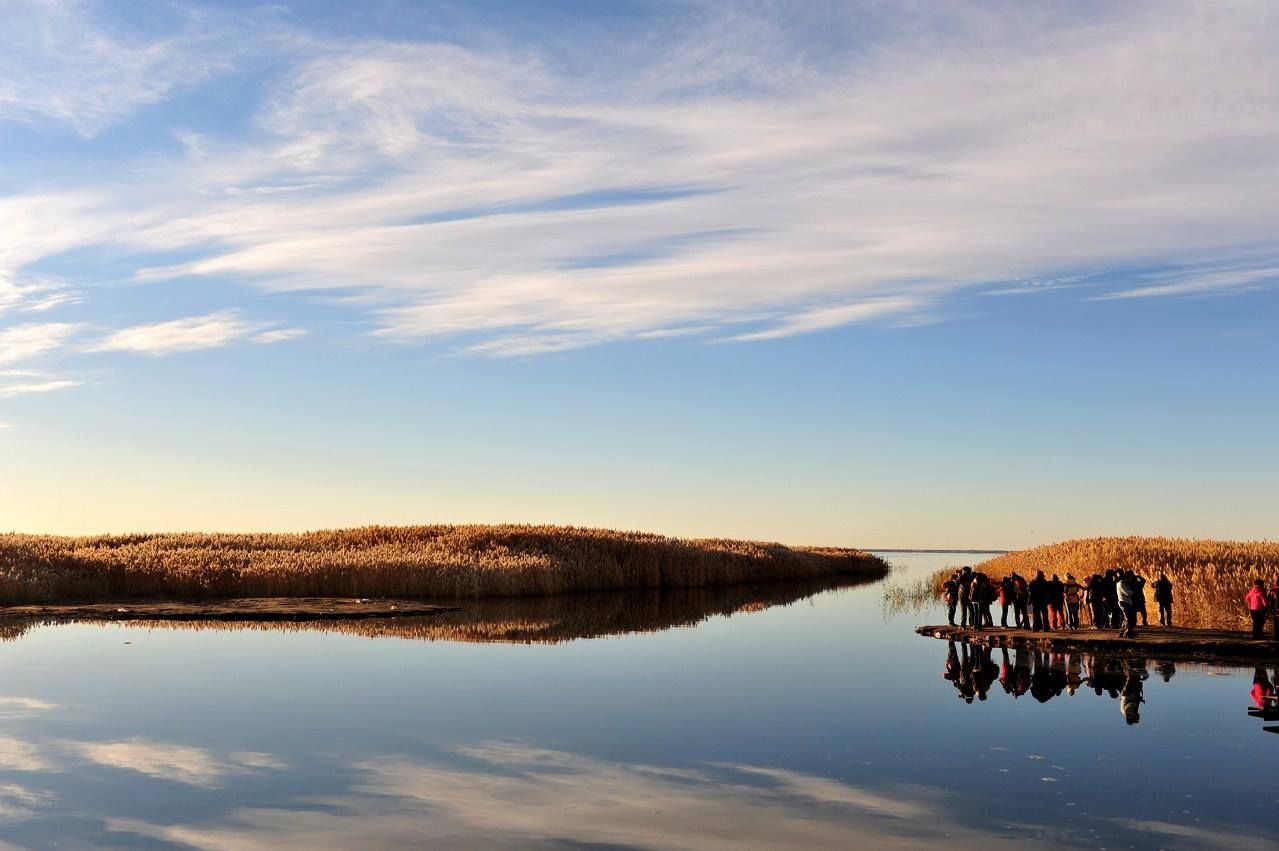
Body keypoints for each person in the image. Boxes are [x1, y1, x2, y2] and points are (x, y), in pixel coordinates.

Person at [1117, 571, 1139, 638]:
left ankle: (1122, 632)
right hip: (1124, 602)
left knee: (1126, 618)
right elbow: (1129, 593)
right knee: (1128, 618)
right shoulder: (1122, 583)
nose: (1131, 579)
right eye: (1130, 577)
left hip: (1126, 602)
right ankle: (1128, 633)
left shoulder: (1123, 583)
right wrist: (1132, 590)